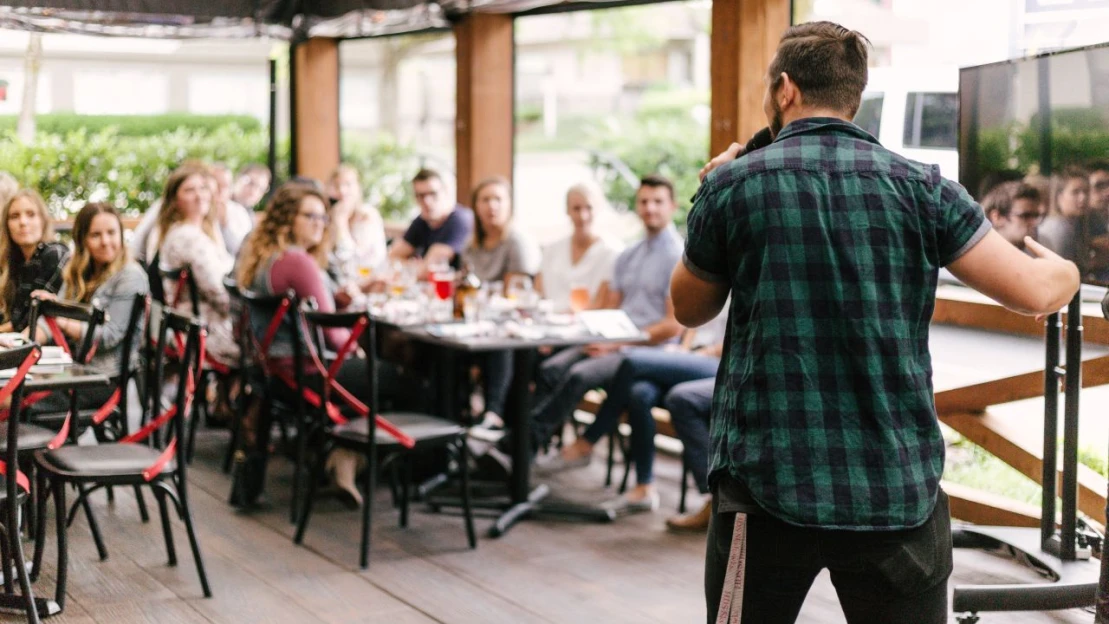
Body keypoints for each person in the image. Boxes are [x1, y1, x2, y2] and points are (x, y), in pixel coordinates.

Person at [677, 21, 1080, 624]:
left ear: (785, 89)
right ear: (854, 97)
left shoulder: (735, 184)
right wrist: (1069, 268)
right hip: (894, 488)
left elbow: (689, 307)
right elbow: (1032, 293)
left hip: (764, 488)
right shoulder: (923, 188)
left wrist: (709, 193)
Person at [511, 175, 684, 453]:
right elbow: (611, 309)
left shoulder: (678, 257)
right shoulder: (629, 254)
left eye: (658, 202)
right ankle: (527, 446)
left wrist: (619, 343)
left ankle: (520, 448)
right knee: (549, 368)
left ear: (672, 206)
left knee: (579, 375)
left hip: (648, 350)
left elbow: (672, 326)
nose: (650, 208)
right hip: (614, 341)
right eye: (644, 201)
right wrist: (602, 338)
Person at [236, 182, 381, 507]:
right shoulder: (297, 260)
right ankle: (352, 455)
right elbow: (332, 333)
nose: (320, 223)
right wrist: (358, 346)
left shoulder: (264, 256)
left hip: (273, 375)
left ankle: (342, 453)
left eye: (323, 217)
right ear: (288, 219)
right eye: (310, 216)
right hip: (307, 374)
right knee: (402, 377)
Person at [541, 309, 727, 515]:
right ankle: (644, 488)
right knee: (639, 394)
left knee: (630, 362)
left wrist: (691, 354)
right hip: (684, 357)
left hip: (713, 362)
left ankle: (587, 441)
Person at [28, 202, 149, 417]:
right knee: (13, 389)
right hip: (72, 370)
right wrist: (20, 345)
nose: (106, 242)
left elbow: (109, 336)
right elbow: (51, 322)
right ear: (83, 239)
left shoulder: (130, 276)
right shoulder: (78, 270)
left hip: (103, 379)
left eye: (111, 233)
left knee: (16, 401)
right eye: (96, 235)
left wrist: (60, 317)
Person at [462, 176, 541, 434]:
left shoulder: (517, 242)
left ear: (509, 205)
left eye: (498, 199)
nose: (491, 206)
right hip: (477, 324)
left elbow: (513, 294)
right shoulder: (471, 245)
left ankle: (493, 415)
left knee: (499, 341)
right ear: (476, 206)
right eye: (485, 200)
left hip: (513, 327)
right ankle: (455, 416)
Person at [153, 164, 239, 370]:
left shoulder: (194, 231)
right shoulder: (188, 237)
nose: (199, 195)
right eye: (189, 190)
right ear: (175, 200)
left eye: (203, 188)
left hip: (193, 327)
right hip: (203, 332)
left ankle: (226, 401)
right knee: (269, 350)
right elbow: (219, 293)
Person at [535, 182, 622, 312]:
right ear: (567, 211)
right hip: (547, 322)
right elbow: (538, 293)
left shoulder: (612, 251)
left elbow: (602, 304)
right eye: (576, 208)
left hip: (586, 326)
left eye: (589, 208)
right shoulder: (552, 250)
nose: (582, 216)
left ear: (598, 209)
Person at [0, 189, 69, 333]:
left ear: (43, 220)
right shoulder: (13, 262)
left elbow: (27, 320)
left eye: (31, 214)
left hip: (48, 348)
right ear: (6, 225)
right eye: (14, 216)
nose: (23, 222)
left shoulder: (54, 253)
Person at [388, 169, 473, 268]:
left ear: (445, 192)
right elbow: (392, 258)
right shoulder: (422, 220)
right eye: (420, 196)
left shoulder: (460, 219)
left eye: (433, 193)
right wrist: (416, 265)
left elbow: (430, 269)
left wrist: (411, 266)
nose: (427, 201)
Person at [327, 164, 387, 287]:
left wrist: (341, 223)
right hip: (341, 284)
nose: (342, 191)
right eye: (337, 185)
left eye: (348, 184)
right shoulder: (330, 215)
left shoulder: (368, 216)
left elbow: (354, 263)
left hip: (369, 283)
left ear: (358, 188)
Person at [1038, 166, 1091, 266]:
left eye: (1086, 191)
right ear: (1059, 197)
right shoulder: (1057, 229)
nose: (1083, 198)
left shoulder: (1075, 224)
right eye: (1075, 192)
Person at [981, 180, 1044, 251]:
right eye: (1025, 216)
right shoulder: (977, 257)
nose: (1035, 223)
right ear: (997, 217)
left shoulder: (1041, 248)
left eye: (1036, 216)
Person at [211, 162, 255, 257]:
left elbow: (243, 250)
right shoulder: (198, 212)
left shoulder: (239, 212)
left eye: (225, 186)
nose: (221, 190)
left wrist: (225, 223)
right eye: (217, 185)